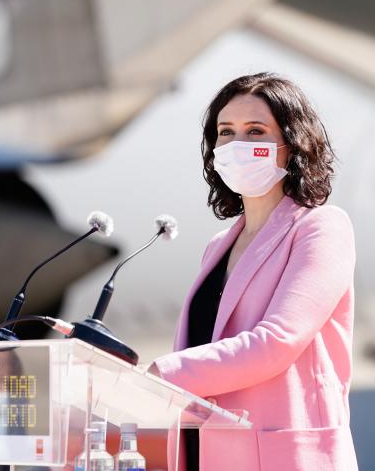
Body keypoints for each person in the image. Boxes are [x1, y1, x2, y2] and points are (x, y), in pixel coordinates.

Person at [148, 72, 358, 471]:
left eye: (255, 130)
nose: (236, 144)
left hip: (286, 458)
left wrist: (164, 372)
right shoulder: (217, 246)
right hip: (208, 455)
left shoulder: (320, 227)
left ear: (292, 144)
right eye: (225, 132)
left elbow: (276, 342)